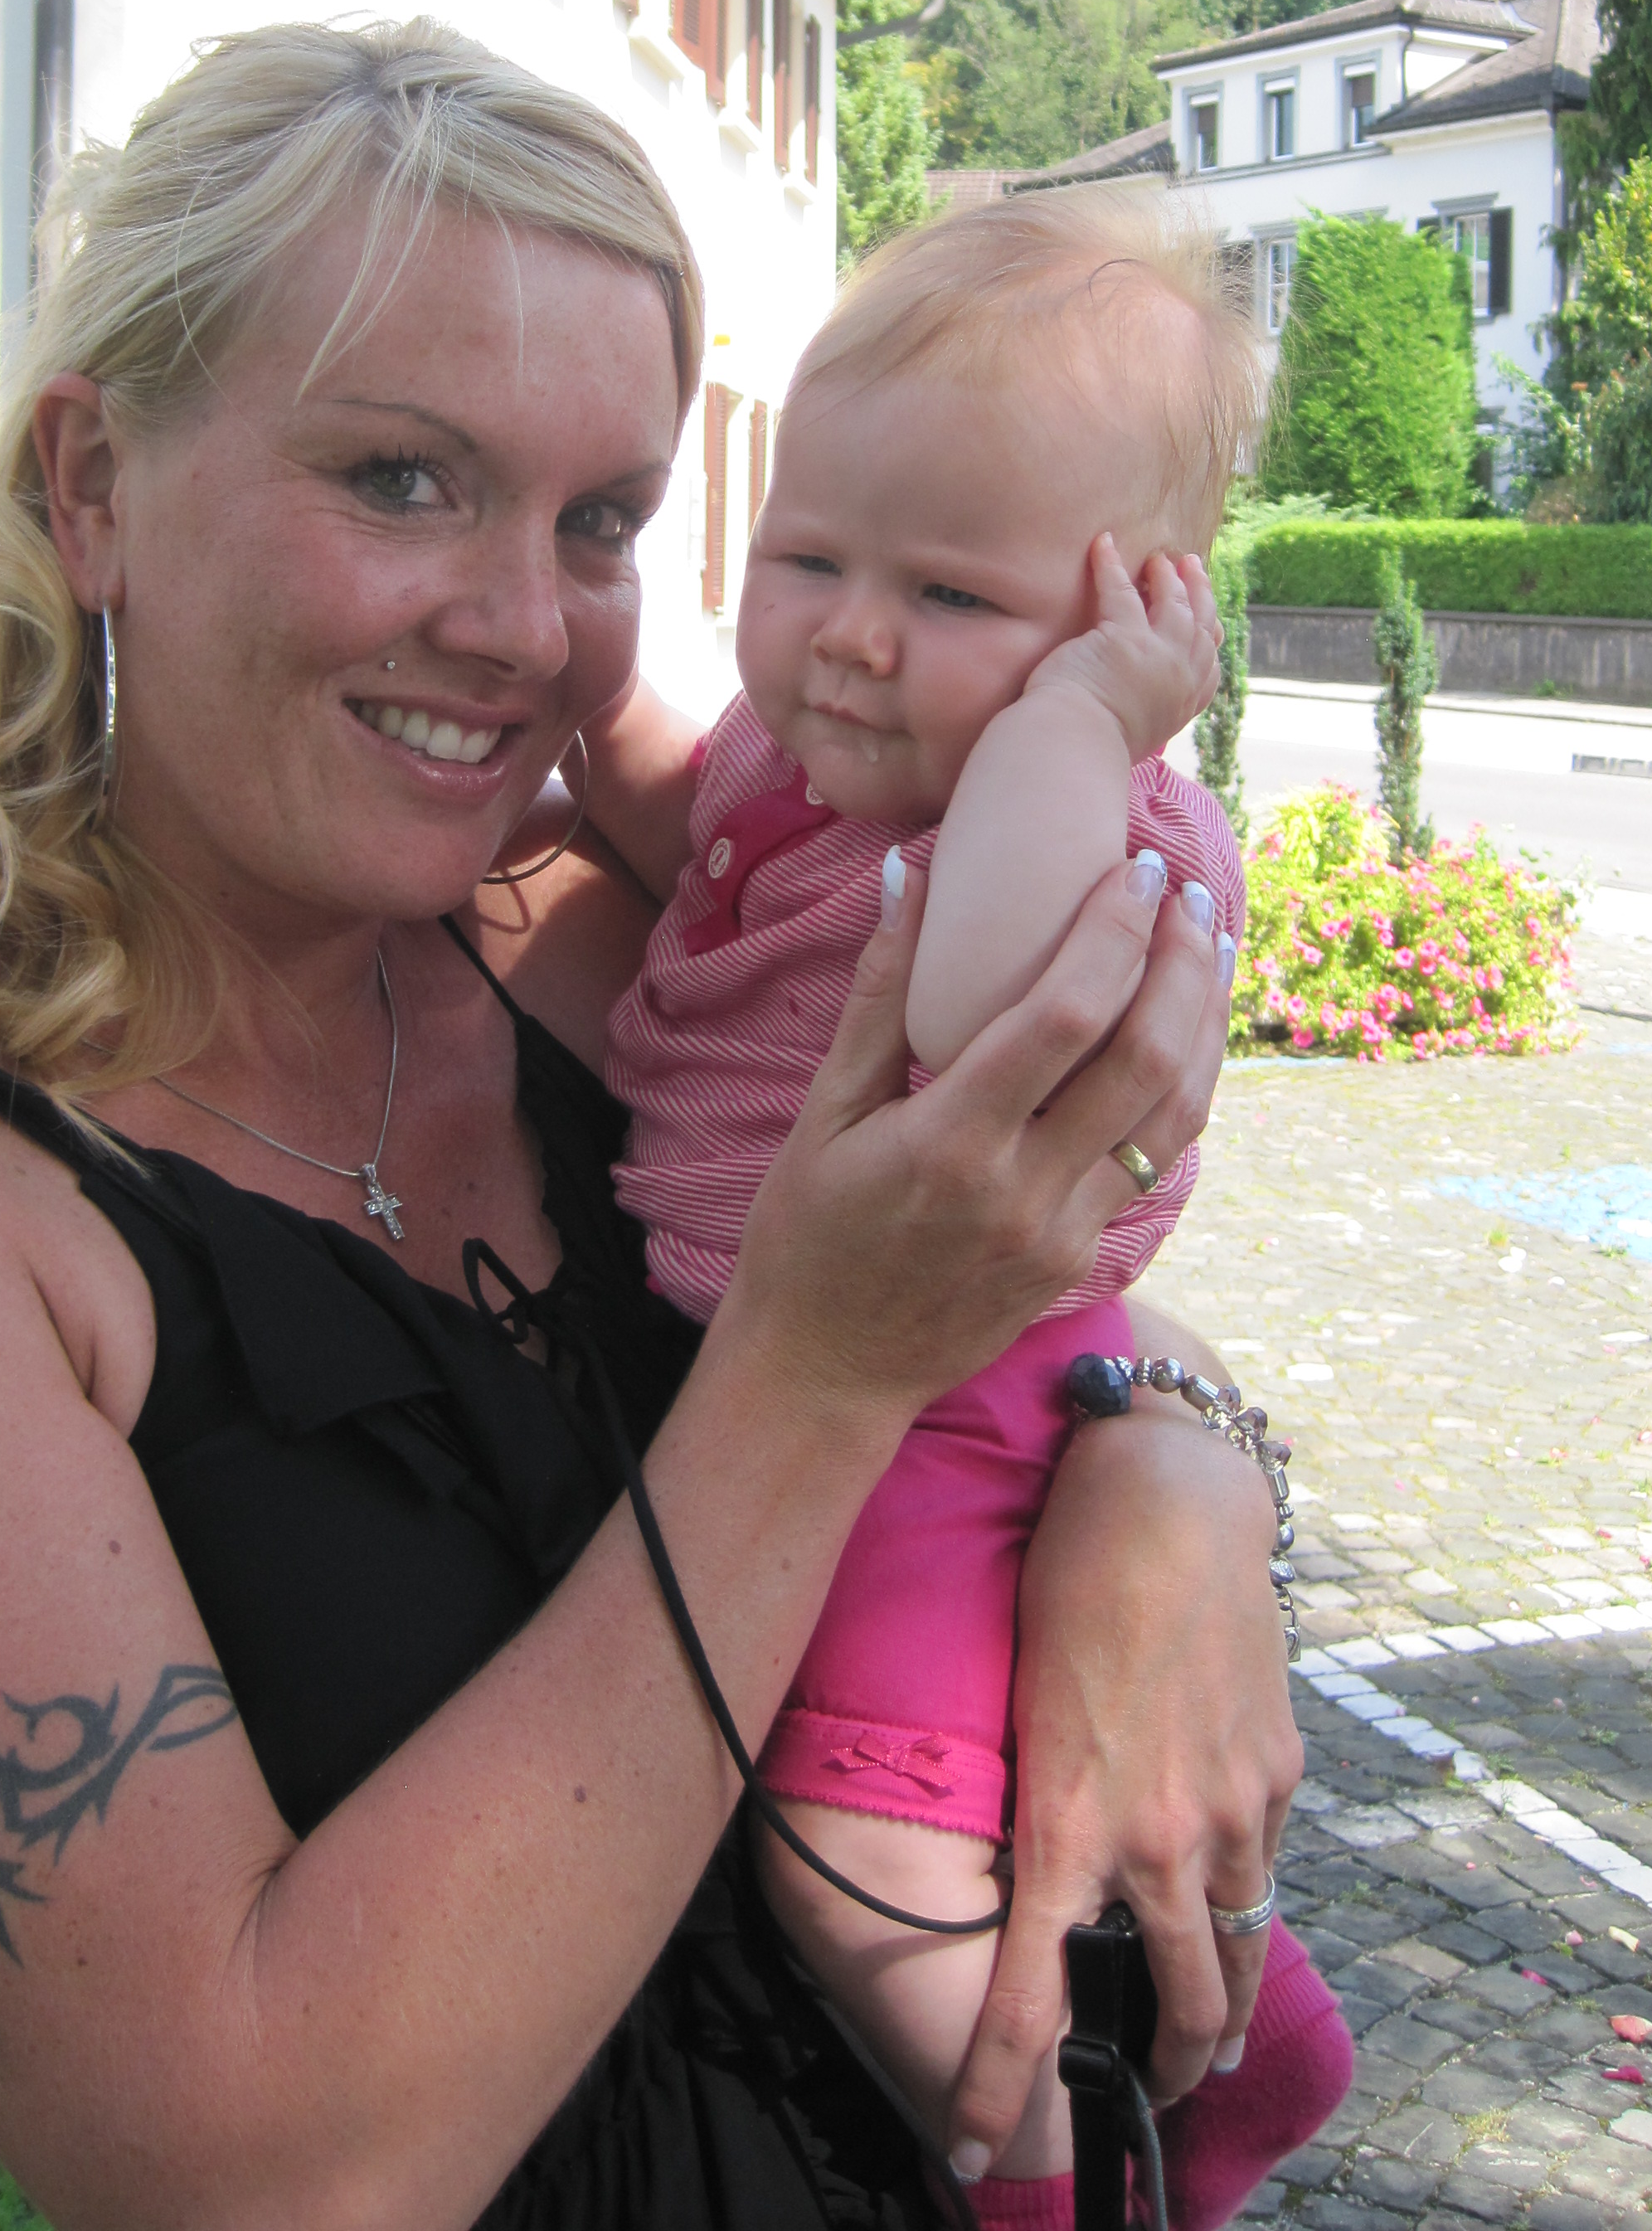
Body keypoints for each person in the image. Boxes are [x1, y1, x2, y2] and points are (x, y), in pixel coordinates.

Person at [0, 20, 1309, 2231]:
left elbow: (997, 1293)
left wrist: (1171, 1475)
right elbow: (248, 2186)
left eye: (601, 519)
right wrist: (814, 1377)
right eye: (402, 479)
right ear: (95, 487)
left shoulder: (586, 951)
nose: (526, 628)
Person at [591, 197, 1351, 2224]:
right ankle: (1254, 2039)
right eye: (808, 559)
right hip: (863, 1359)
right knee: (981, 1793)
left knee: (859, 1850)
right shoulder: (830, 762)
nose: (850, 634)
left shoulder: (1091, 817)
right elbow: (705, 850)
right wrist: (575, 728)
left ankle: (1045, 2175)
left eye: (946, 590)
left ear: (1137, 615)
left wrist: (1079, 724)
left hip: (947, 1391)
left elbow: (967, 999)